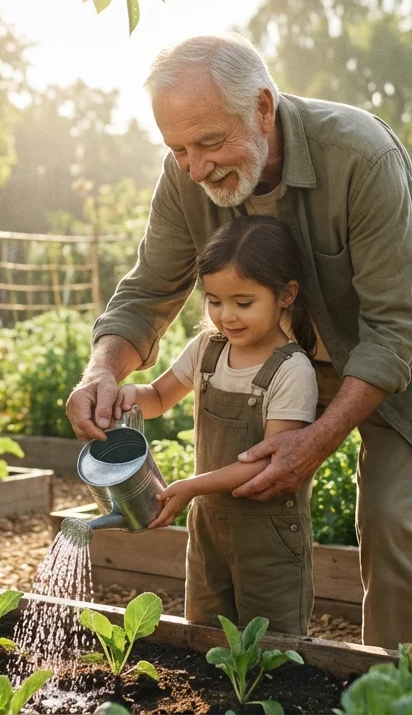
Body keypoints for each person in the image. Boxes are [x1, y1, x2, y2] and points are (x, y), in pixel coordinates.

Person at [64, 34, 412, 648]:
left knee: (391, 518)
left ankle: (396, 688)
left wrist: (317, 439)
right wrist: (101, 371)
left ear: (262, 107)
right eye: (177, 148)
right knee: (244, 507)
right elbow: (149, 290)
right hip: (281, 351)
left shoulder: (360, 154)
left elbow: (392, 329)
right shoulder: (186, 178)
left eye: (208, 142)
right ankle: (242, 668)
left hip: (403, 348)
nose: (196, 167)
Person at [119, 216, 318, 635]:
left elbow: (269, 463)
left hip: (270, 539)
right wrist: (124, 393)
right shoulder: (206, 350)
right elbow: (157, 397)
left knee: (271, 648)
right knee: (206, 638)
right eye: (214, 301)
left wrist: (190, 487)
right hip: (208, 530)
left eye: (243, 303)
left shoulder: (292, 370)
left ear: (286, 296)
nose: (226, 316)